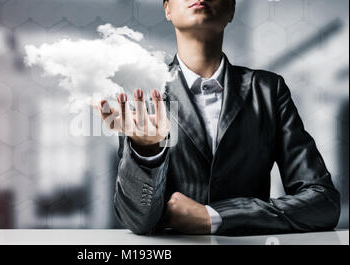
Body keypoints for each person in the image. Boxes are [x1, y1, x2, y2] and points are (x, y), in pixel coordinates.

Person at [95, 0, 340, 236]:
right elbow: (137, 221)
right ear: (167, 8)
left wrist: (216, 216)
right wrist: (147, 153)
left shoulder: (268, 90)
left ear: (231, 8)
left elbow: (323, 202)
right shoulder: (145, 96)